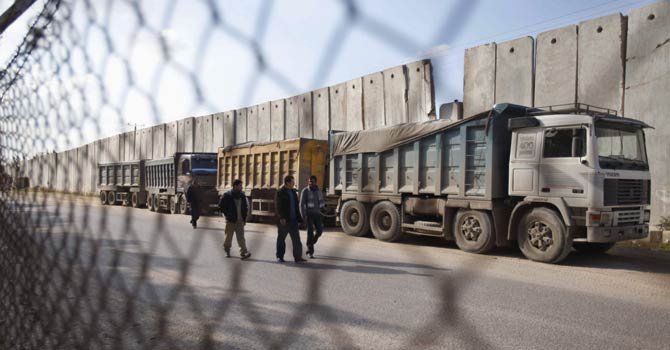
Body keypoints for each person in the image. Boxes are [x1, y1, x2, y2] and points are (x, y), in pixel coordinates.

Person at [275, 175, 306, 263]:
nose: (294, 183)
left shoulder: (293, 192)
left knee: (296, 239)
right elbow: (278, 206)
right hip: (284, 221)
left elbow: (296, 207)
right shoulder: (280, 192)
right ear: (288, 183)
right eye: (292, 182)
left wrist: (300, 219)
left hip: (293, 220)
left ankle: (298, 257)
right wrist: (281, 217)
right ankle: (280, 256)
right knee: (281, 239)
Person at [219, 179, 251, 260]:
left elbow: (245, 207)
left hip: (240, 221)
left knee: (241, 238)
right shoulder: (227, 195)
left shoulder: (242, 196)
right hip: (230, 221)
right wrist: (227, 215)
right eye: (240, 186)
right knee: (228, 238)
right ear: (235, 186)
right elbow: (221, 206)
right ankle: (227, 250)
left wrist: (244, 218)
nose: (241, 187)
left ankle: (243, 252)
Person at [300, 175, 324, 258]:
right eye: (309, 181)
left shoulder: (318, 191)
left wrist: (323, 208)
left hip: (317, 214)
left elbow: (321, 202)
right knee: (310, 232)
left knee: (320, 231)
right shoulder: (305, 191)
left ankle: (311, 242)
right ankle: (310, 251)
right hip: (309, 214)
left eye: (312, 181)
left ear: (315, 182)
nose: (310, 183)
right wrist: (303, 215)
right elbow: (301, 204)